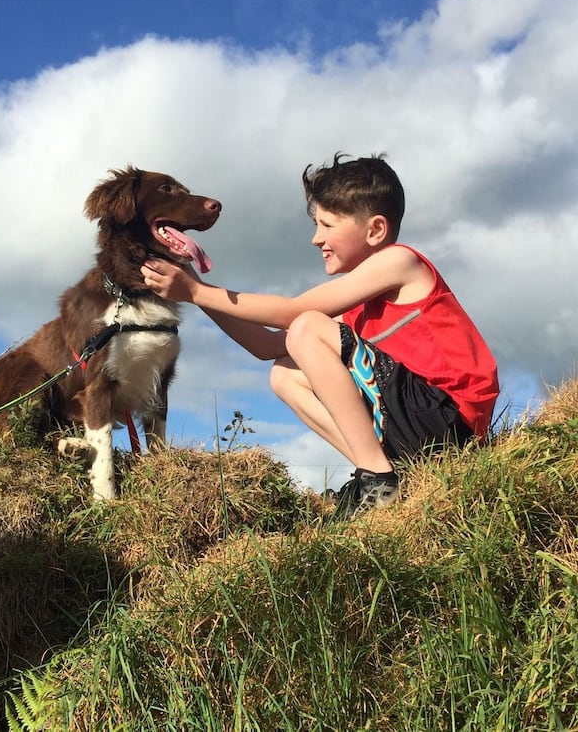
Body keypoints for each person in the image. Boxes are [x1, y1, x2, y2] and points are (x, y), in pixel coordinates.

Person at [141, 153, 499, 518]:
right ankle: (381, 467)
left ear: (375, 230)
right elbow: (265, 346)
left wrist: (196, 293)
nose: (316, 239)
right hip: (417, 424)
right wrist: (195, 289)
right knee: (284, 372)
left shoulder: (401, 262)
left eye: (326, 225)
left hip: (452, 422)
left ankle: (378, 477)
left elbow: (296, 316)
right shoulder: (352, 309)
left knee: (307, 326)